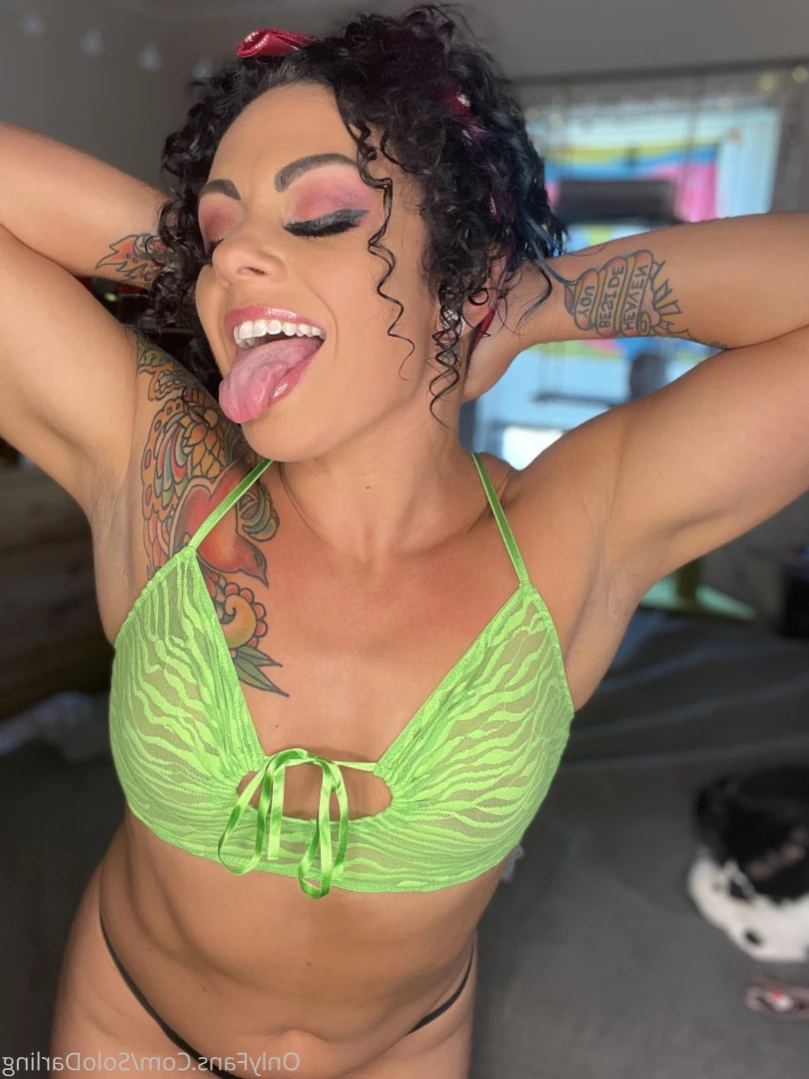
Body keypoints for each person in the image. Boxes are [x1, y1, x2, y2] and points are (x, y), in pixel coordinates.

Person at [1, 5, 808, 1077]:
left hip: (404, 1053)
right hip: (131, 1031)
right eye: (218, 229)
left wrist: (522, 304)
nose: (237, 256)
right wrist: (221, 269)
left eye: (323, 216)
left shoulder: (576, 525)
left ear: (463, 276)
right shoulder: (157, 465)